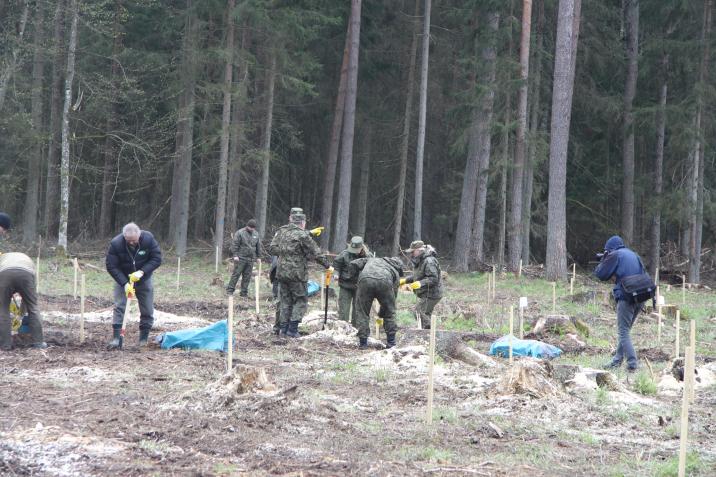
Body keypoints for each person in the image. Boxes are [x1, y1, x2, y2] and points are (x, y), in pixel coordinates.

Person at [268, 212, 331, 338]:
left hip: (281, 273)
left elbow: (272, 249)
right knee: (300, 300)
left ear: (291, 220)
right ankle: (292, 329)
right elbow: (316, 253)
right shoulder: (303, 235)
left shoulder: (282, 231)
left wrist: (286, 252)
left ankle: (283, 329)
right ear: (303, 223)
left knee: (285, 301)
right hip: (297, 274)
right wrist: (328, 265)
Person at [106, 223, 162, 348]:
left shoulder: (148, 240)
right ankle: (116, 339)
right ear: (124, 236)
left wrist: (142, 272)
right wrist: (125, 284)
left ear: (139, 235)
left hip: (143, 279)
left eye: (134, 240)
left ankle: (143, 339)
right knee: (120, 306)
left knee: (147, 308)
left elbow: (157, 258)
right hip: (123, 279)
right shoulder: (116, 244)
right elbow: (111, 265)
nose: (131, 243)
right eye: (128, 241)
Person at [594, 235, 644, 371]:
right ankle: (617, 360)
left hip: (627, 296)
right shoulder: (634, 255)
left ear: (609, 249)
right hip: (642, 296)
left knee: (623, 331)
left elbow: (600, 274)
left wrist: (604, 261)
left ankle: (632, 363)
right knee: (626, 331)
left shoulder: (615, 255)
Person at [351, 256, 404, 349]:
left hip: (365, 279)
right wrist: (382, 313)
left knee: (362, 312)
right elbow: (391, 304)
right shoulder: (395, 271)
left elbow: (354, 263)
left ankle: (363, 344)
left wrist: (354, 278)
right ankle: (391, 343)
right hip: (385, 281)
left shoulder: (371, 259)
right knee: (390, 313)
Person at [0, 252, 45, 350]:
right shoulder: (27, 259)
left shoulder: (3, 259)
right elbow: (27, 300)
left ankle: (5, 344)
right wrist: (22, 314)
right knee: (33, 307)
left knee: (2, 309)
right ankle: (39, 342)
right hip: (26, 273)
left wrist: (19, 313)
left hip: (4, 274)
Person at [403, 240, 443, 330]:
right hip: (427, 293)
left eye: (413, 252)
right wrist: (405, 280)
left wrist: (418, 284)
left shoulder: (429, 261)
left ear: (419, 250)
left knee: (418, 311)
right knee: (425, 313)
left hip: (432, 293)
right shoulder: (421, 260)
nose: (412, 254)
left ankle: (430, 333)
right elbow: (419, 275)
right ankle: (427, 333)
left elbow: (433, 279)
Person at [332, 236, 368, 326]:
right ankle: (342, 329)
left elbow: (371, 269)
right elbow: (336, 265)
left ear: (361, 248)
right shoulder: (344, 254)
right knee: (344, 309)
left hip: (360, 287)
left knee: (358, 310)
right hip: (345, 285)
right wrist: (336, 274)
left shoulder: (368, 257)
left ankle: (355, 329)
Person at [226, 219, 262, 297]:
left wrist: (259, 257)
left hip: (251, 259)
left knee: (247, 276)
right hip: (240, 258)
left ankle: (244, 293)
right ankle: (230, 290)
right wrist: (235, 255)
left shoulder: (256, 234)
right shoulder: (240, 233)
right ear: (247, 226)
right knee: (236, 274)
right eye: (250, 227)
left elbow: (258, 246)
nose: (252, 229)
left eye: (253, 228)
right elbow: (234, 245)